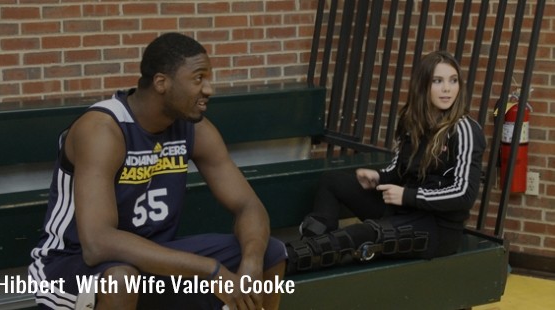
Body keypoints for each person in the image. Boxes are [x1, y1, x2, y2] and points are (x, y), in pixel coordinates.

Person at [29, 32, 287, 310]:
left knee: (270, 253)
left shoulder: (195, 129)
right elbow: (97, 243)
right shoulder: (103, 130)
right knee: (120, 280)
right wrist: (211, 270)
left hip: (152, 259)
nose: (209, 89)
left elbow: (249, 206)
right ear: (162, 82)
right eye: (198, 78)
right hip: (71, 264)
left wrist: (250, 262)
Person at [285, 50, 486, 274]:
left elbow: (464, 193)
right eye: (437, 81)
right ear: (423, 85)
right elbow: (397, 168)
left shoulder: (464, 128)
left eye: (453, 80)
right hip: (402, 210)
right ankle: (312, 246)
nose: (447, 89)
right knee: (332, 181)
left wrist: (408, 195)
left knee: (363, 233)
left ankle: (286, 261)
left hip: (436, 229)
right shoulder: (412, 120)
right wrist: (379, 177)